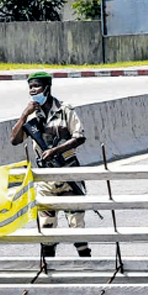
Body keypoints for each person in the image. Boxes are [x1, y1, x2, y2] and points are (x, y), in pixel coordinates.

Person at [9, 71, 91, 258]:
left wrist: (55, 151)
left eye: (36, 86)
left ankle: (88, 266)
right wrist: (24, 115)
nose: (33, 90)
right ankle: (48, 270)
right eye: (30, 87)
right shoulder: (31, 117)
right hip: (46, 179)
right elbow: (14, 140)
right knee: (46, 228)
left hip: (68, 172)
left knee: (76, 225)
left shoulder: (64, 109)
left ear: (47, 87)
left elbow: (80, 136)